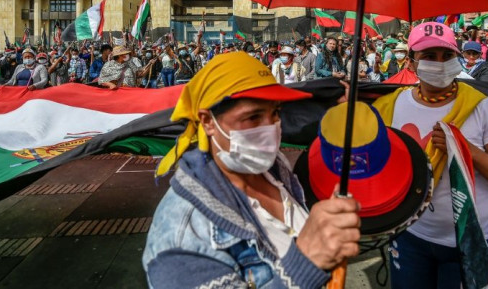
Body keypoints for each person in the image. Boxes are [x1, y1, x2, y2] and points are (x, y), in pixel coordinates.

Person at [143, 52, 361, 288]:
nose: (270, 129)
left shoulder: (274, 168)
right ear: (207, 121)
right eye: (253, 117)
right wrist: (307, 262)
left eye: (275, 112)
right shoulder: (181, 238)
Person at [372, 21, 488, 288]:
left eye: (447, 55)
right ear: (411, 63)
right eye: (429, 56)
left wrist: (466, 150)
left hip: (470, 238)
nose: (440, 63)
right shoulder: (388, 106)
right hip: (409, 235)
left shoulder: (481, 107)